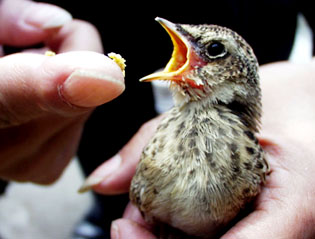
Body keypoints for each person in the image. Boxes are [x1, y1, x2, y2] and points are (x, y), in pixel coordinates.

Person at [1, 0, 315, 239]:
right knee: (115, 191)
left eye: (214, 51)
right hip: (108, 117)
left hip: (269, 36)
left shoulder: (250, 163)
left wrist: (308, 82)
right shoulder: (162, 138)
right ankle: (103, 213)